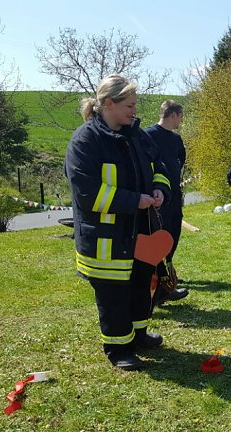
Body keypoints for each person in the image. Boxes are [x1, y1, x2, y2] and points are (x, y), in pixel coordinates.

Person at [65, 74, 171, 371]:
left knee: (139, 285)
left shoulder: (137, 135)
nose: (135, 111)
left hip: (138, 232)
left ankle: (137, 335)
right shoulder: (85, 141)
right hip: (105, 238)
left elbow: (158, 167)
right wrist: (134, 200)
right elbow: (87, 194)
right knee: (113, 295)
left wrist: (159, 189)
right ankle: (117, 347)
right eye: (130, 105)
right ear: (108, 103)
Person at [144, 100, 188, 305]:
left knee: (172, 236)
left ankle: (167, 282)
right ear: (174, 115)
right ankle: (157, 289)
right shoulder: (147, 136)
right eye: (181, 116)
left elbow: (180, 160)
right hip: (156, 200)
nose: (181, 120)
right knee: (158, 240)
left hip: (173, 197)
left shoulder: (176, 140)